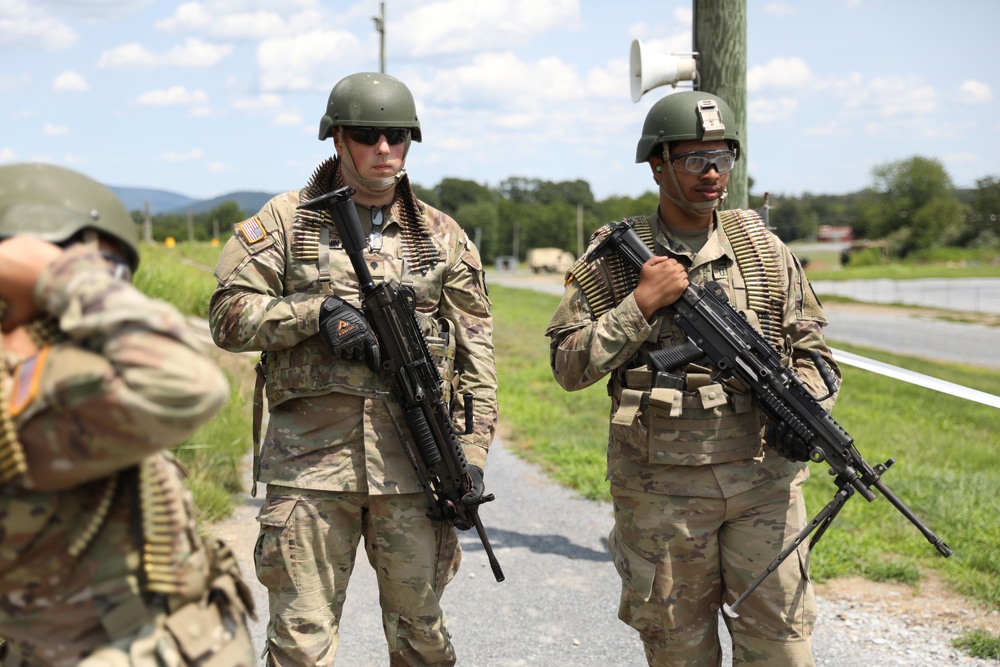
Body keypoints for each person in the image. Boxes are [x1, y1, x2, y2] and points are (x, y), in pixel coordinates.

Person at [209, 71, 498, 666]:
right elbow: (227, 317)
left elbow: (477, 361)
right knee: (300, 646)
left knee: (422, 640)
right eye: (368, 135)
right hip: (310, 470)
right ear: (337, 139)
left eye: (398, 135)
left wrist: (470, 457)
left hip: (416, 473)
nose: (385, 149)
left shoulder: (442, 237)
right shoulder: (287, 222)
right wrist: (315, 313)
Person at [545, 91, 840, 666]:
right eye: (694, 160)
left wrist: (801, 403)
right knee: (679, 651)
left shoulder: (763, 249)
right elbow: (567, 365)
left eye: (723, 158)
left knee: (783, 649)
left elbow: (816, 352)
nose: (711, 173)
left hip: (764, 484)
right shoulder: (613, 259)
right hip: (662, 493)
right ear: (658, 165)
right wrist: (639, 306)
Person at [0, 163, 255, 666]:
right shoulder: (34, 391)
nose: (103, 295)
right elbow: (189, 384)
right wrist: (59, 274)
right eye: (92, 277)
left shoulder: (57, 376)